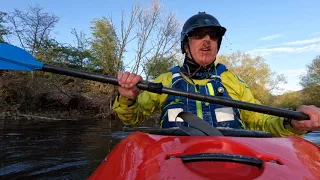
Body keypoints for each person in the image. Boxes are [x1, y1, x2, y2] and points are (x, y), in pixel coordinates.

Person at [112, 12, 320, 137]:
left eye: (213, 36)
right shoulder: (164, 81)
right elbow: (131, 119)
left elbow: (260, 121)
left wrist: (292, 122)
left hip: (232, 155)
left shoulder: (232, 81)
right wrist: (128, 98)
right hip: (174, 156)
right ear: (186, 46)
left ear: (218, 45)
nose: (207, 40)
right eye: (199, 35)